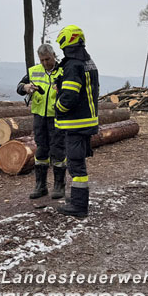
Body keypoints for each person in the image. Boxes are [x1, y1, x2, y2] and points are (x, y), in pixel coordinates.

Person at [54, 25, 99, 218]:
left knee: (75, 165)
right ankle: (78, 199)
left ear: (68, 41)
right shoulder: (87, 61)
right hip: (86, 121)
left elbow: (70, 97)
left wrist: (58, 107)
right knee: (77, 162)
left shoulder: (73, 65)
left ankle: (79, 206)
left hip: (76, 123)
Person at [16, 44, 66, 199]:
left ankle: (59, 185)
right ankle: (41, 185)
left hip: (57, 117)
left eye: (48, 59)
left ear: (54, 56)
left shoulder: (63, 71)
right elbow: (18, 88)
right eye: (42, 60)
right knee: (41, 150)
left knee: (58, 150)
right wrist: (26, 87)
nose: (45, 63)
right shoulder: (34, 71)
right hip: (39, 117)